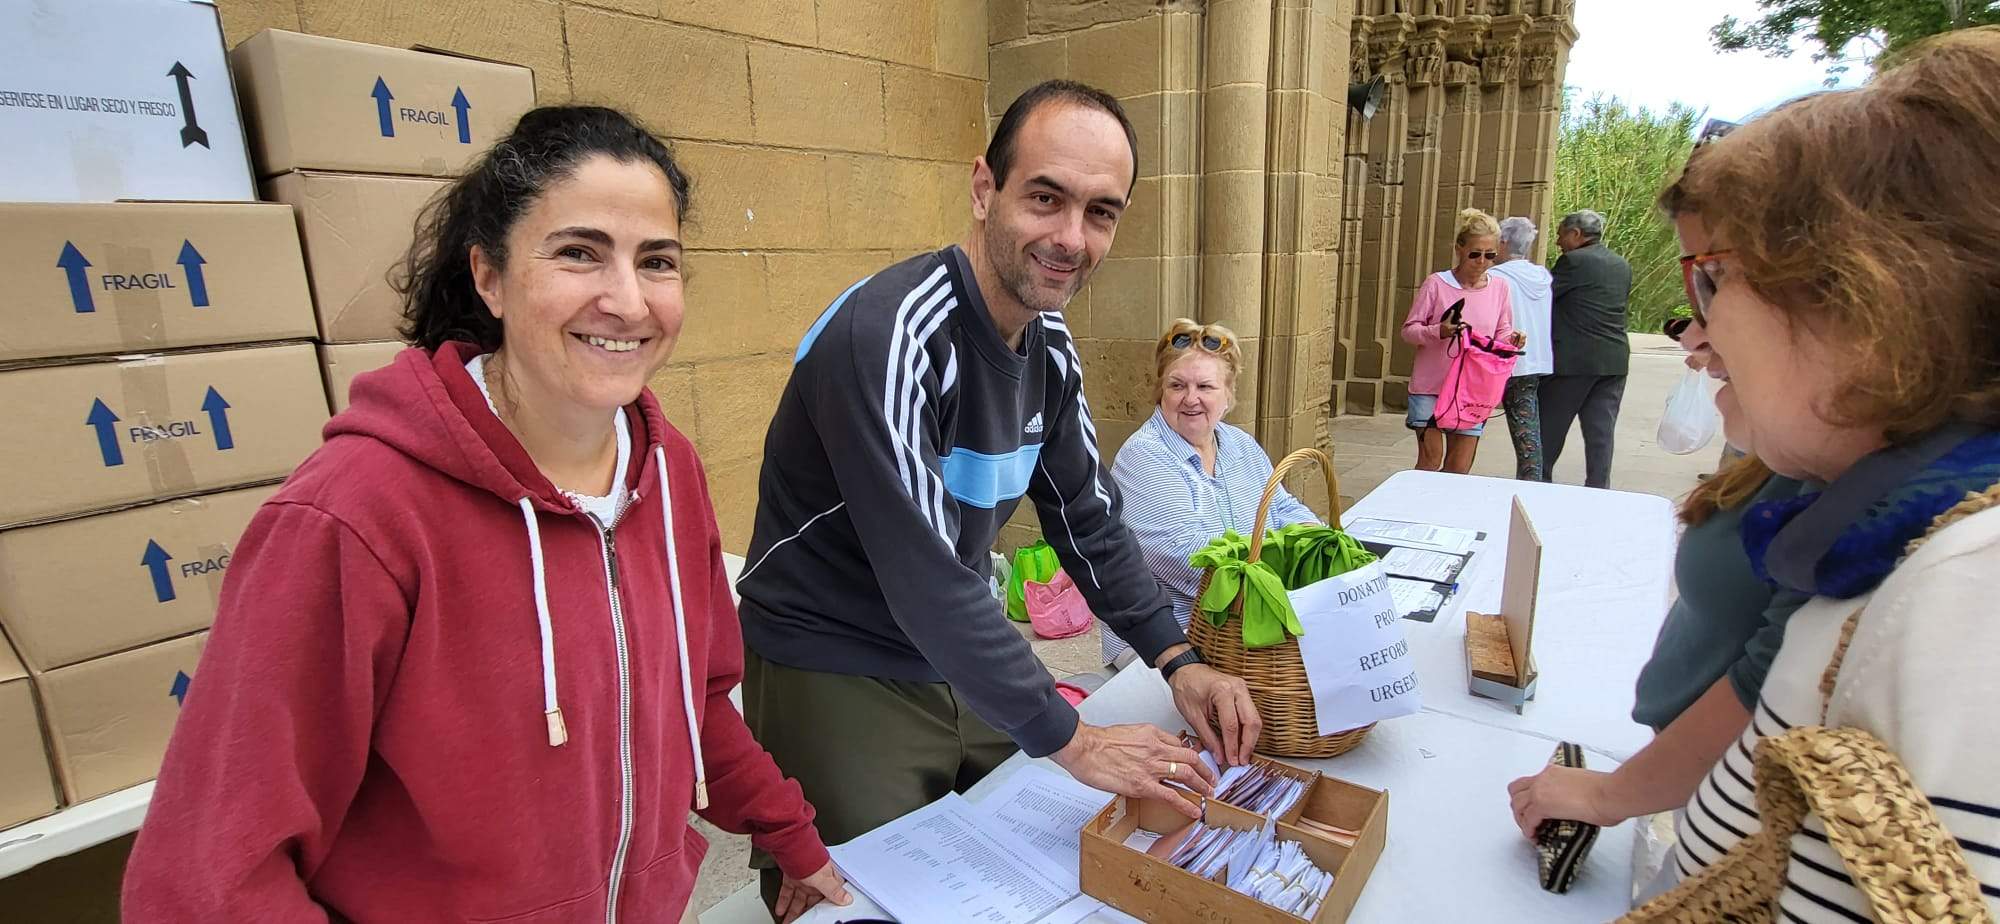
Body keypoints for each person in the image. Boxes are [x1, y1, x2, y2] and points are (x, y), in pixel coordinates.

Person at [121, 107, 848, 923]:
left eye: (656, 261)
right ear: (489, 276)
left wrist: (793, 837)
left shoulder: (668, 472)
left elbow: (694, 705)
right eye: (579, 253)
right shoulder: (353, 512)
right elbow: (206, 879)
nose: (626, 300)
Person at [733, 80, 1262, 911]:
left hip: (954, 646)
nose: (1071, 237)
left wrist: (1176, 658)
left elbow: (1087, 516)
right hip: (833, 657)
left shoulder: (1049, 342)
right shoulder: (889, 335)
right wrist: (1074, 740)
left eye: (1100, 212)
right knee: (858, 898)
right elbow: (924, 576)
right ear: (984, 188)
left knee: (1034, 858)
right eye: (1045, 198)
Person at [1551, 31, 2000, 918]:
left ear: (1866, 299)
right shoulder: (1902, 544)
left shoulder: (1963, 597)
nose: (1700, 328)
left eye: (1714, 280)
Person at [1506, 316, 1808, 846]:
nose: (1691, 337)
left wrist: (1609, 795)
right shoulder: (1795, 457)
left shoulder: (1869, 502)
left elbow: (1778, 674)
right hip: (1705, 791)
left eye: (1715, 292)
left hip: (1745, 812)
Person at [1101, 320, 1320, 666]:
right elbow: (1190, 558)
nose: (1191, 399)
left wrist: (1316, 544)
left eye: (1205, 386)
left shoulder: (1240, 444)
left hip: (1242, 619)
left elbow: (1281, 507)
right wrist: (1285, 576)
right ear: (1160, 391)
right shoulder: (1144, 455)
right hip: (1171, 636)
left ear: (1228, 395)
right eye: (1177, 385)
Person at [1400, 207, 1524, 474]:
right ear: (1459, 248)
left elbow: (1501, 331)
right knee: (1429, 462)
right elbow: (1409, 331)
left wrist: (1512, 340)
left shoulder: (1500, 287)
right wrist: (1439, 331)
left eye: (1490, 255)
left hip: (1472, 390)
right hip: (1431, 386)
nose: (1482, 262)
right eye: (1475, 254)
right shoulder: (1436, 284)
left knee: (1459, 468)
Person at [1540, 208, 1632, 489]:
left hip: (1574, 362)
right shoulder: (1621, 264)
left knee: (1549, 431)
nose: (1558, 242)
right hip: (1614, 361)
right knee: (1601, 433)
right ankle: (1598, 488)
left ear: (1576, 233)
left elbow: (1545, 297)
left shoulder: (1573, 261)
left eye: (1561, 235)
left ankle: (1536, 483)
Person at [1488, 216, 1554, 481]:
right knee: (1527, 430)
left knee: (1470, 424)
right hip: (1531, 361)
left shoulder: (1495, 277)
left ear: (1503, 242)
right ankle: (1531, 482)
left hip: (1498, 359)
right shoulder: (1542, 277)